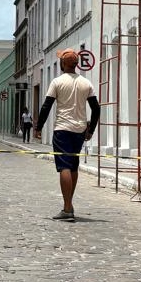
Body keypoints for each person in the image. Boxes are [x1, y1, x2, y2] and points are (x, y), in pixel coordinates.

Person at [35, 48, 100, 222]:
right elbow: (96, 108)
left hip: (62, 129)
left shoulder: (57, 82)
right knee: (73, 167)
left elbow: (46, 106)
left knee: (64, 167)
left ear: (63, 63)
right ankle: (68, 205)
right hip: (79, 130)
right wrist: (91, 130)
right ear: (76, 64)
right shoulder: (86, 83)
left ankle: (67, 208)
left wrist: (38, 127)